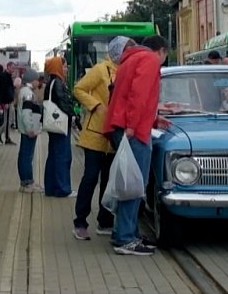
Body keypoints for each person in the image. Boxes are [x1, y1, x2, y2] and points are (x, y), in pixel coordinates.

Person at [104, 35, 171, 256]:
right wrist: (133, 125)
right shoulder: (150, 60)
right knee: (134, 184)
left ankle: (124, 232)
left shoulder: (130, 60)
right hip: (134, 131)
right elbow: (139, 96)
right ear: (160, 50)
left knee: (127, 181)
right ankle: (125, 238)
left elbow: (128, 96)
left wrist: (153, 119)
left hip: (122, 126)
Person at [71, 36, 130, 240]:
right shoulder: (100, 69)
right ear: (117, 51)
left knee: (108, 179)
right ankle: (80, 221)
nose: (127, 54)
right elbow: (78, 89)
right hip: (95, 134)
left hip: (113, 134)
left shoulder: (124, 71)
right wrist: (95, 105)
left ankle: (105, 220)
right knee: (90, 177)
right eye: (125, 50)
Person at [42, 56, 76, 198]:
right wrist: (73, 115)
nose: (66, 69)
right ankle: (63, 188)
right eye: (65, 66)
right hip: (60, 125)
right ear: (58, 67)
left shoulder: (50, 82)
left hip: (53, 125)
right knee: (63, 156)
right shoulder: (58, 83)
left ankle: (51, 188)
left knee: (53, 156)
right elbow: (62, 102)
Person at [16, 69, 43, 193]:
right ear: (32, 80)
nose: (39, 82)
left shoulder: (24, 91)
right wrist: (30, 128)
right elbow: (27, 113)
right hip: (29, 131)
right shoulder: (28, 94)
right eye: (38, 79)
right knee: (27, 156)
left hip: (26, 129)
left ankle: (25, 182)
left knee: (24, 155)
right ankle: (28, 183)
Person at [0, 65, 16, 145]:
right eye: (12, 68)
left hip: (9, 101)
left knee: (9, 120)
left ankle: (0, 134)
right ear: (8, 67)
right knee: (7, 121)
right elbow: (3, 90)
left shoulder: (7, 76)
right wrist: (5, 102)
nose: (13, 70)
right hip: (7, 102)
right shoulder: (4, 76)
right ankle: (6, 137)